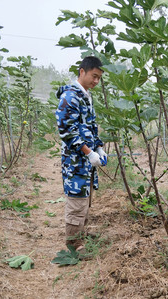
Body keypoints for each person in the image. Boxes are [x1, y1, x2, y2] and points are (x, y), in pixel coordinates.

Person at [55, 56, 107, 250]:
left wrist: (99, 147)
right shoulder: (70, 97)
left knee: (85, 198)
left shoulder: (86, 97)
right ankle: (73, 245)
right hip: (76, 160)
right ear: (82, 71)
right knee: (76, 200)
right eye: (94, 76)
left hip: (86, 160)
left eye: (99, 78)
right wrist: (88, 153)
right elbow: (66, 131)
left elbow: (91, 126)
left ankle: (80, 235)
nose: (96, 81)